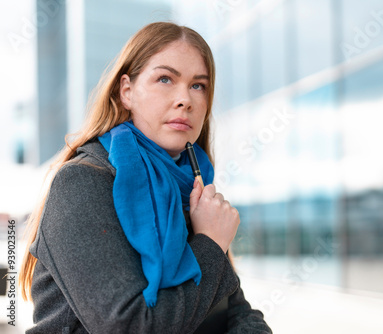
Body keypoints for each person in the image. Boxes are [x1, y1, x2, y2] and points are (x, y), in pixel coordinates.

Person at [19, 22, 272, 334]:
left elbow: (238, 312)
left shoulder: (192, 190)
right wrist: (209, 243)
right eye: (165, 79)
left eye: (198, 85)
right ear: (127, 91)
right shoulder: (83, 182)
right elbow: (129, 326)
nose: (185, 99)